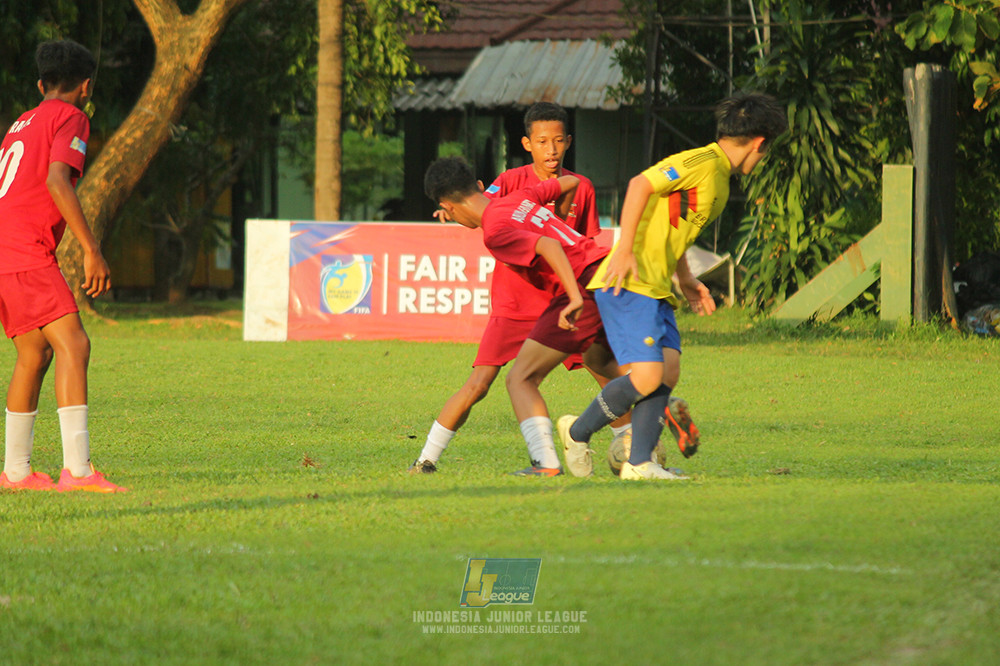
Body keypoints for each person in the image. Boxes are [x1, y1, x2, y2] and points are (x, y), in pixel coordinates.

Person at [557, 92, 787, 481]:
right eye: (766, 152)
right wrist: (625, 247)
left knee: (667, 373)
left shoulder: (718, 180)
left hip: (658, 284)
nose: (762, 159)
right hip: (630, 280)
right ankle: (577, 432)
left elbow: (674, 223)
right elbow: (639, 185)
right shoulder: (701, 161)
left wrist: (685, 278)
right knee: (647, 377)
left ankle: (640, 463)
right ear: (760, 143)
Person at [409, 102, 628, 476]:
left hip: (562, 295)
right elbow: (485, 207)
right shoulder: (512, 186)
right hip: (516, 302)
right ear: (528, 144)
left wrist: (556, 228)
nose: (552, 149)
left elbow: (557, 237)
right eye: (543, 141)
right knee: (482, 382)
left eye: (558, 141)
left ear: (568, 142)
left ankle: (626, 445)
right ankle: (426, 459)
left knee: (595, 367)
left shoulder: (513, 214)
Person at [0, 40, 126, 492]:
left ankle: (16, 473)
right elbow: (57, 180)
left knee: (35, 352)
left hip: (4, 252)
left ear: (41, 84)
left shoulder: (20, 122)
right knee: (75, 345)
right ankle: (78, 471)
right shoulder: (72, 116)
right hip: (26, 250)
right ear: (86, 85)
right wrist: (92, 248)